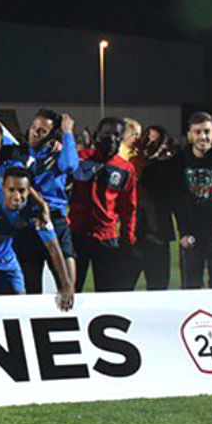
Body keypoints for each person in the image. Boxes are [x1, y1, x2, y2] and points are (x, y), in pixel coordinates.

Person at [0, 166, 74, 314]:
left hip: (7, 259)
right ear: (3, 189)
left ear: (29, 191)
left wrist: (66, 285)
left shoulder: (36, 210)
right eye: (11, 190)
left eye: (22, 191)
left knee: (21, 303)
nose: (17, 197)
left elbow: (54, 247)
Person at [169, 111, 212, 289]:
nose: (203, 136)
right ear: (190, 135)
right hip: (192, 236)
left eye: (207, 131)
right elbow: (177, 201)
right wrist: (183, 232)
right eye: (197, 132)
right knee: (190, 290)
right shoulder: (178, 162)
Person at [70, 116, 137, 292]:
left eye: (117, 135)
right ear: (96, 135)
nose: (112, 139)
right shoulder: (79, 160)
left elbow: (128, 208)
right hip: (77, 235)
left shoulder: (125, 168)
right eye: (107, 134)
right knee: (71, 291)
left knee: (107, 293)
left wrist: (127, 239)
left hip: (107, 239)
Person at [15, 110, 79, 293]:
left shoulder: (58, 154)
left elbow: (70, 165)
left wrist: (67, 133)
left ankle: (67, 316)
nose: (34, 132)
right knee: (30, 286)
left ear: (52, 135)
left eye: (42, 131)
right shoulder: (19, 153)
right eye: (34, 127)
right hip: (27, 222)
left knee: (66, 283)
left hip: (55, 220)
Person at [131, 126, 176, 290]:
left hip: (158, 234)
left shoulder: (168, 167)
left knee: (158, 287)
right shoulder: (133, 162)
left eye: (155, 141)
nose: (150, 143)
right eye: (148, 139)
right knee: (122, 287)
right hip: (134, 235)